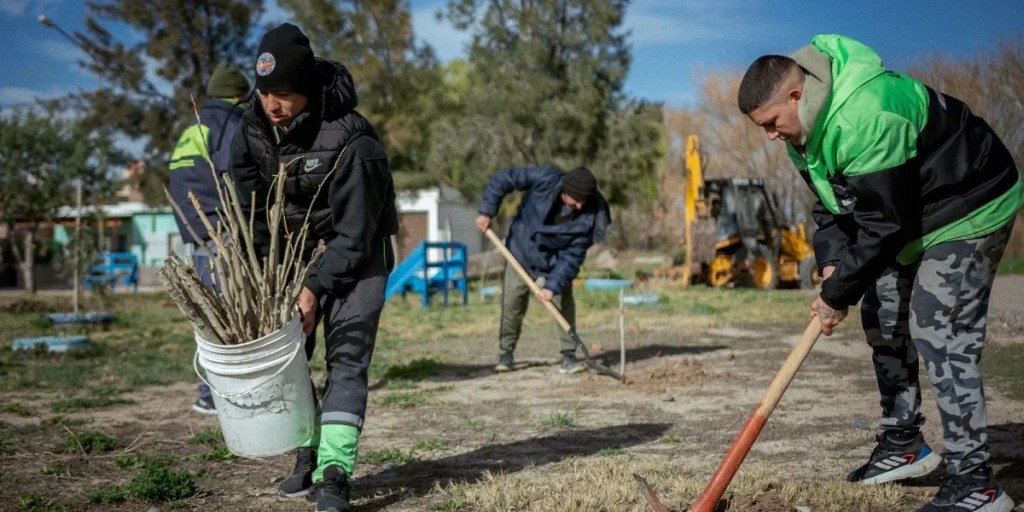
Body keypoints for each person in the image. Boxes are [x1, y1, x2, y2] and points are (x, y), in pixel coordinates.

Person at [738, 34, 1023, 512]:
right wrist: (832, 264)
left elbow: (883, 224)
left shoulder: (864, 113)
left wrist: (836, 294)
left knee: (938, 328)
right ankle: (903, 444)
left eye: (770, 123)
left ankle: (975, 484)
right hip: (910, 213)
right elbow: (833, 207)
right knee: (884, 315)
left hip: (968, 200)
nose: (769, 135)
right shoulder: (802, 130)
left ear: (795, 95)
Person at [228, 23, 398, 512]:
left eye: (284, 94)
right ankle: (307, 450)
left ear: (307, 89)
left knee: (346, 356)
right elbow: (250, 210)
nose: (272, 105)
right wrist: (269, 274)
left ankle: (334, 472)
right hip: (292, 252)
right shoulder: (251, 129)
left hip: (357, 251)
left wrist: (315, 289)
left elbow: (355, 232)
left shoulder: (353, 140)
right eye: (265, 94)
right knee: (291, 358)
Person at [168, 61, 250, 415]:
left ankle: (209, 391)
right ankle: (219, 393)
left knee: (211, 314)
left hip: (196, 231)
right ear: (240, 94)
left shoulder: (193, 127)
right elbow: (242, 174)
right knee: (232, 311)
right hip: (223, 230)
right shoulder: (228, 123)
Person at [474, 166, 611, 374]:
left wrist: (551, 286)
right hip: (519, 251)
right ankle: (506, 353)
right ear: (565, 191)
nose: (581, 204)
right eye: (577, 199)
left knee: (561, 302)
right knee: (512, 302)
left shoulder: (589, 216)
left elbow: (572, 257)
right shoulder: (545, 179)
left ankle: (568, 355)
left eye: (585, 200)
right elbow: (504, 179)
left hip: (555, 262)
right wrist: (486, 211)